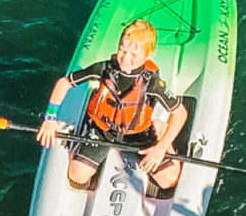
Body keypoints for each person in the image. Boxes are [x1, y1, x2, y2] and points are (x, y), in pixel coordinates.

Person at [36, 15, 186, 194]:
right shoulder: (104, 69)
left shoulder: (152, 83)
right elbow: (65, 82)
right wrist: (50, 117)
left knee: (168, 180)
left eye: (133, 54)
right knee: (77, 175)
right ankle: (83, 138)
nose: (125, 58)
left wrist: (161, 148)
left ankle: (161, 132)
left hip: (138, 133)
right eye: (122, 50)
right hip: (102, 130)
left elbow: (180, 113)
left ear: (148, 55)